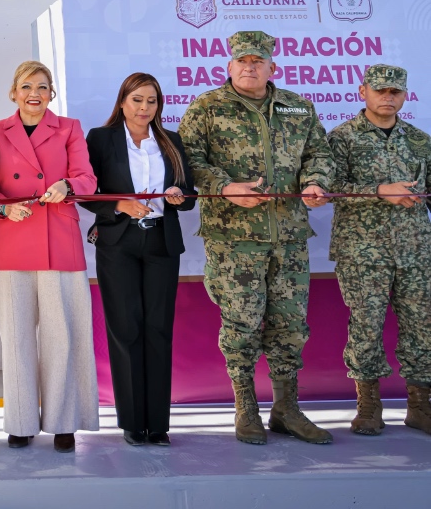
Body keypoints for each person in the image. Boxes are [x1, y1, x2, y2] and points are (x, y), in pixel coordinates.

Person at [177, 30, 333, 446]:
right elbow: (189, 160)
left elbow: (319, 153)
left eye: (258, 61)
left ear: (272, 68)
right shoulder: (206, 108)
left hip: (289, 235)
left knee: (290, 325)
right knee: (241, 325)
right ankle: (245, 407)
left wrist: (316, 182)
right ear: (229, 66)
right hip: (234, 239)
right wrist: (226, 187)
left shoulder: (298, 107)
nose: (250, 66)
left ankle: (286, 409)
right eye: (242, 60)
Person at [0, 60, 99, 452]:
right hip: (12, 238)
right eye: (27, 86)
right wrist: (2, 208)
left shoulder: (69, 128)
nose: (35, 93)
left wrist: (67, 184)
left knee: (61, 335)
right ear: (14, 92)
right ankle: (20, 421)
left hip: (57, 240)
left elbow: (87, 178)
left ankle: (63, 421)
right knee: (15, 338)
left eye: (43, 86)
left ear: (52, 93)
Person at [82, 72, 196, 447]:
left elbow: (191, 194)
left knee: (158, 330)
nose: (145, 108)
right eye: (137, 100)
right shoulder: (101, 139)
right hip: (119, 243)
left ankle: (158, 423)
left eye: (152, 101)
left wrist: (179, 193)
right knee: (126, 330)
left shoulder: (172, 140)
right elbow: (85, 192)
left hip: (162, 241)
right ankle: (132, 421)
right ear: (122, 102)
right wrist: (117, 203)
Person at [326, 64, 431, 437]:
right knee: (366, 327)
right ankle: (368, 407)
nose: (388, 97)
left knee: (423, 326)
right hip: (362, 250)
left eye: (395, 92)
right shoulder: (342, 138)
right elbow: (328, 186)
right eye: (380, 90)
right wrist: (379, 190)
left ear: (405, 96)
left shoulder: (420, 141)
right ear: (362, 91)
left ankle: (420, 405)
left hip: (415, 249)